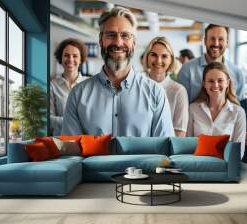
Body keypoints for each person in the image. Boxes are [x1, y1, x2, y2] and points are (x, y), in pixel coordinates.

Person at [62, 7, 174, 137]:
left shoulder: (155, 93)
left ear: (134, 43)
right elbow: (70, 151)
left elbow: (165, 151)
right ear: (100, 40)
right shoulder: (77, 95)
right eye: (111, 35)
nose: (118, 42)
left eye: (125, 35)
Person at [187, 62, 246, 159]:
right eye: (210, 81)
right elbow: (187, 144)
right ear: (204, 84)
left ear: (227, 83)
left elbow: (238, 152)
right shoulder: (193, 109)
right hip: (197, 165)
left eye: (220, 80)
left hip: (224, 167)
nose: (215, 85)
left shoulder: (238, 112)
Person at [178, 24, 246, 103]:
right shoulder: (187, 69)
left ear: (227, 43)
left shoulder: (237, 73)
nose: (216, 43)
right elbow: (181, 105)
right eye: (212, 38)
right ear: (205, 41)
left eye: (221, 39)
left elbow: (239, 106)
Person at [142, 37, 189, 137]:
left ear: (171, 59)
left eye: (164, 56)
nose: (159, 61)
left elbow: (180, 133)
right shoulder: (137, 86)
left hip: (166, 151)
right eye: (154, 55)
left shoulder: (178, 91)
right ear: (146, 57)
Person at [50, 38, 89, 135]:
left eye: (75, 56)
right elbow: (49, 118)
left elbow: (94, 117)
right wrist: (77, 122)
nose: (70, 59)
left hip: (85, 141)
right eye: (66, 55)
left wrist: (64, 121)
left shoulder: (90, 84)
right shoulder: (52, 86)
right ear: (61, 58)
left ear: (81, 59)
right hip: (60, 142)